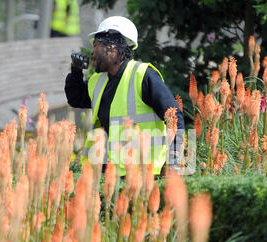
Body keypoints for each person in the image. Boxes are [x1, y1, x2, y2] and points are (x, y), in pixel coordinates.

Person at [65, 16, 185, 176]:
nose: (92, 53)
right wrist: (75, 71)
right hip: (104, 175)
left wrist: (174, 163)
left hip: (142, 174)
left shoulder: (143, 75)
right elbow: (75, 98)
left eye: (96, 46)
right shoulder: (97, 81)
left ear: (111, 48)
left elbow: (175, 117)